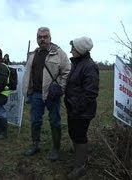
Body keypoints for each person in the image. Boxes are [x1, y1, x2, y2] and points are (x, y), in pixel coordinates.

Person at [23, 27, 71, 161]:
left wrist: (60, 88)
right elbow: (29, 75)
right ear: (37, 38)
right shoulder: (32, 55)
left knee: (55, 121)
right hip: (36, 94)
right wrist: (28, 91)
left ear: (50, 38)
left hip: (52, 95)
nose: (42, 39)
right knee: (35, 121)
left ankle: (56, 149)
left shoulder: (59, 53)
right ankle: (35, 145)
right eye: (40, 37)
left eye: (45, 36)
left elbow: (67, 72)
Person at [65, 37, 99, 179]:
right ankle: (79, 157)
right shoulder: (78, 63)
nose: (71, 50)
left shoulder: (89, 66)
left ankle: (80, 167)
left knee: (79, 136)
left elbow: (90, 93)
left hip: (81, 111)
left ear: (80, 50)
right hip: (74, 108)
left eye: (73, 48)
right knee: (74, 133)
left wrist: (77, 109)